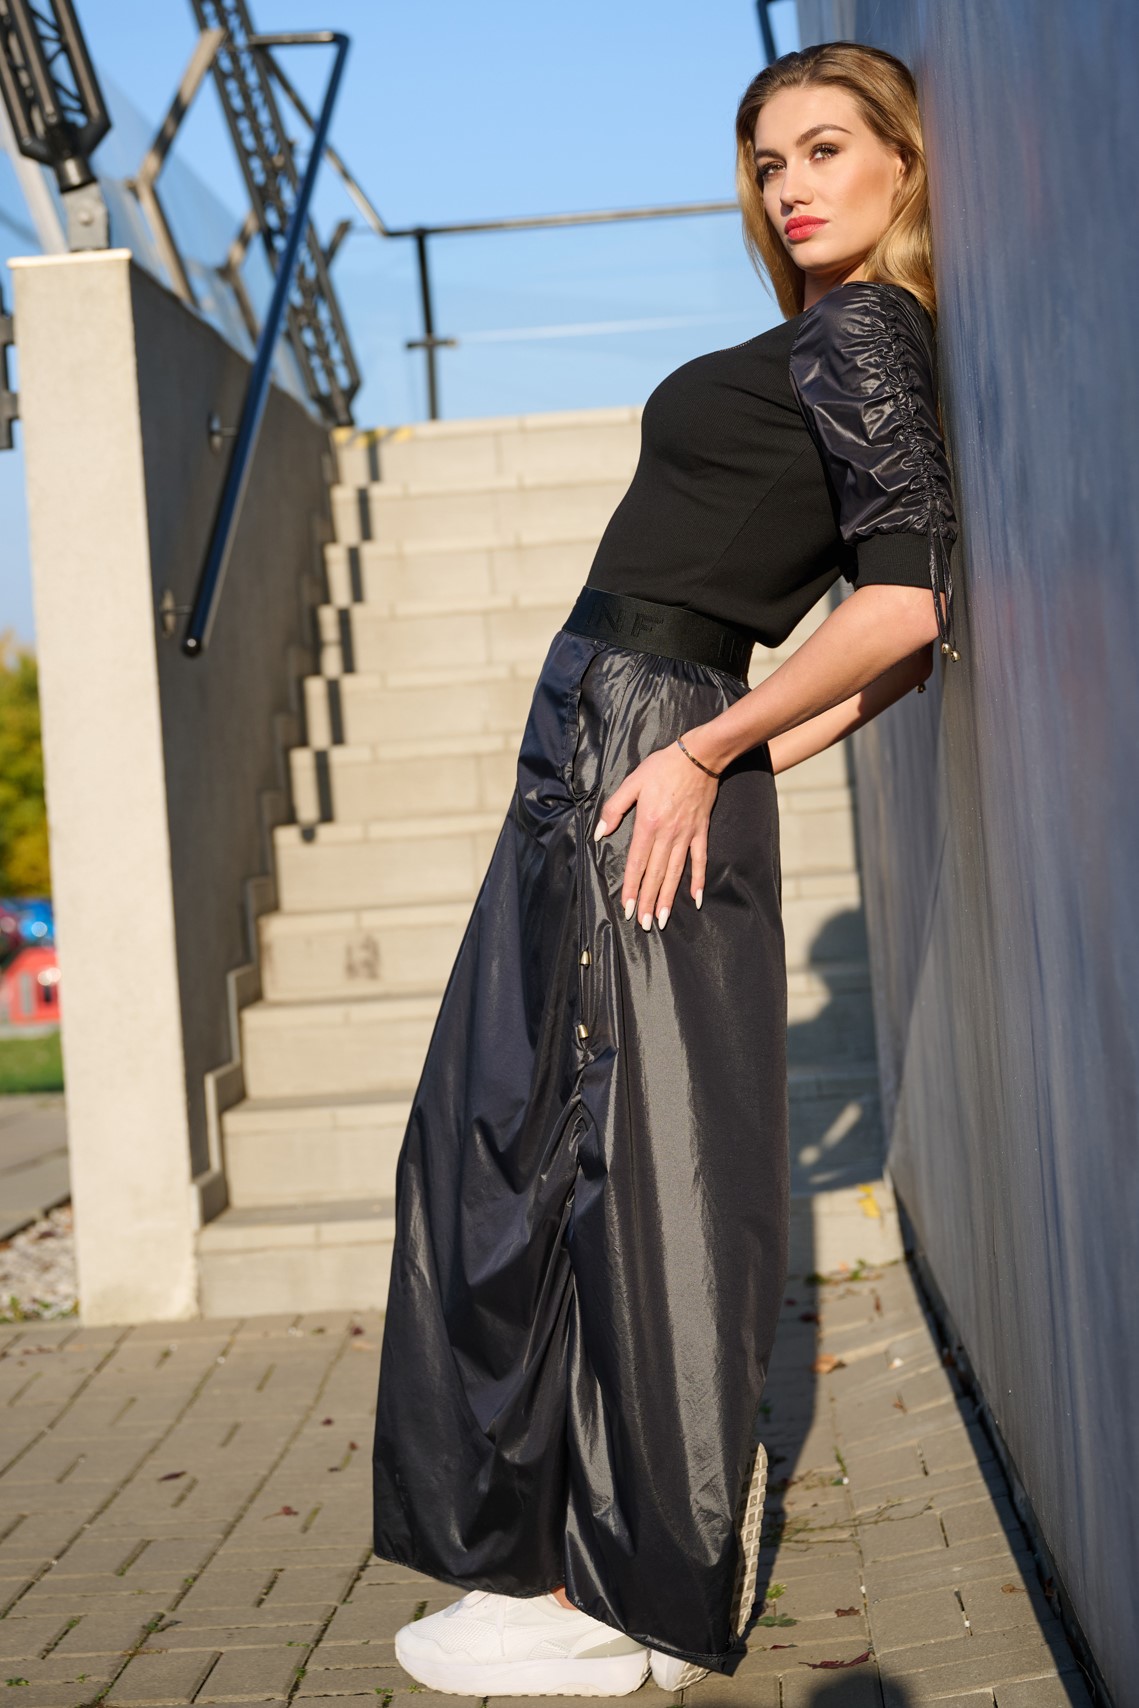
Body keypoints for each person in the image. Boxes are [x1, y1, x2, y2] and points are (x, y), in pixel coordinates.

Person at [371, 38, 961, 1698]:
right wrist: (735, 755)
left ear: (903, 162)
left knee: (612, 1151)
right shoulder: (831, 337)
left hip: (647, 717)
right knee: (515, 1128)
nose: (792, 186)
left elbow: (907, 607)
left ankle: (620, 1594)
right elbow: (899, 634)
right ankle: (550, 1556)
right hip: (623, 728)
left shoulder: (866, 332)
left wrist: (710, 749)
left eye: (827, 148)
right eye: (769, 161)